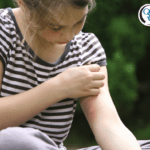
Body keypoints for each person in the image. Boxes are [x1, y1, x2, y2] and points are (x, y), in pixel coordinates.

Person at [0, 0, 148, 149]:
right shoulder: (3, 30)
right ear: (23, 4)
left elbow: (109, 125)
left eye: (79, 21)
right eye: (56, 27)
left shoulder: (86, 48)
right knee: (15, 140)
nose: (70, 36)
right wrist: (60, 87)